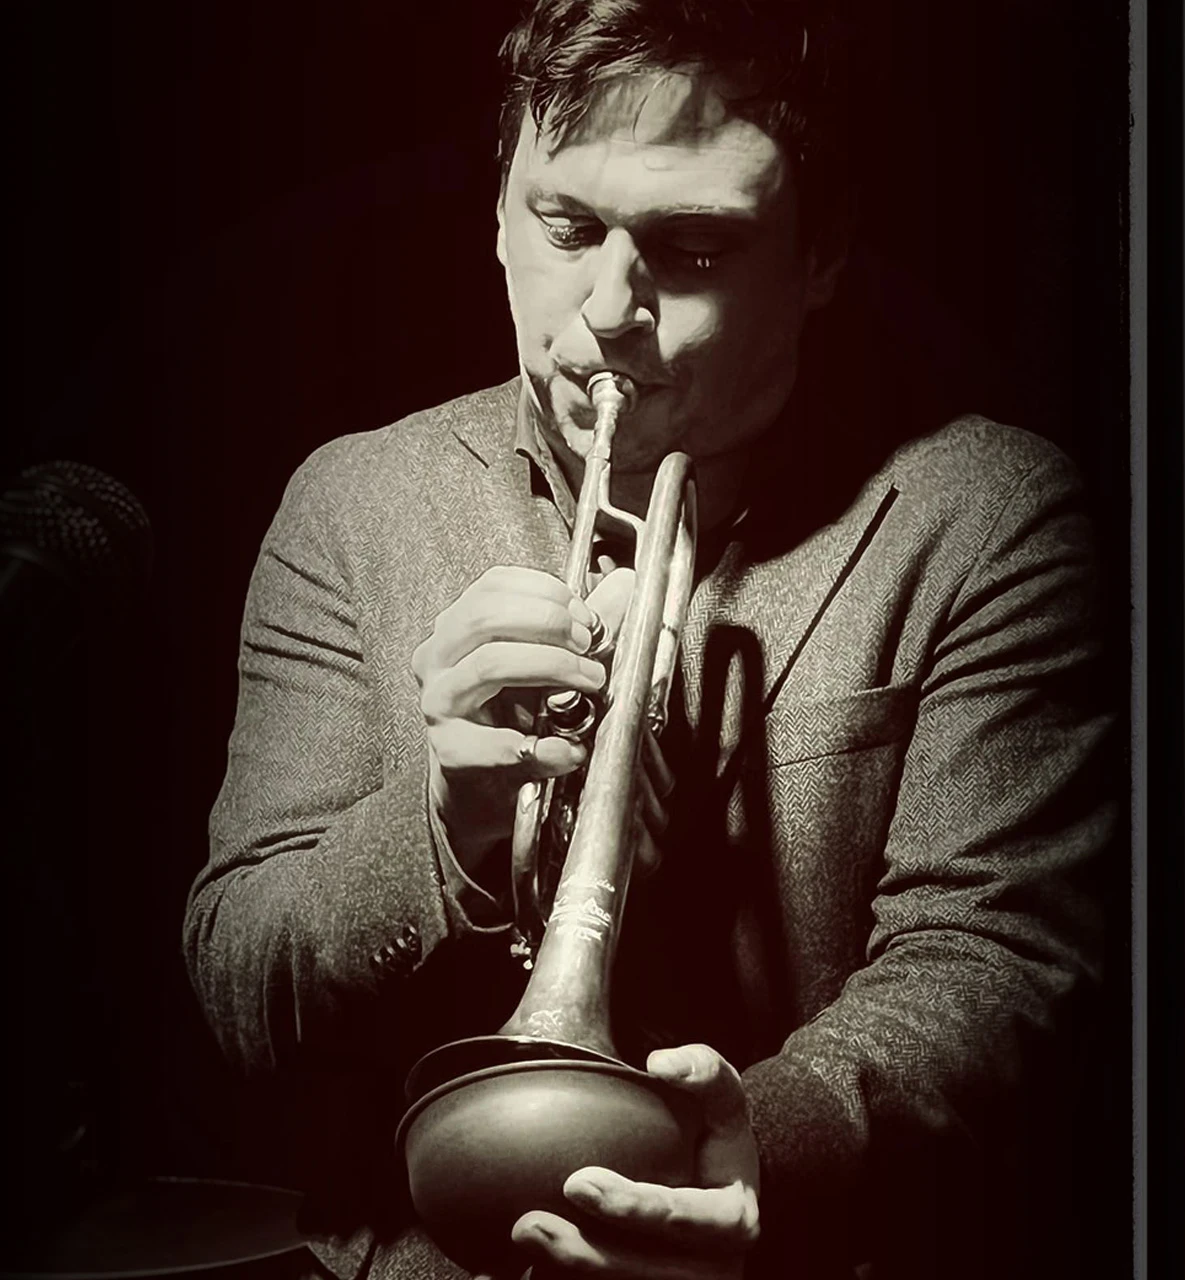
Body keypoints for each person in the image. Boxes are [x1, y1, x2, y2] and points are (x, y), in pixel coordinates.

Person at [183, 2, 1117, 1276]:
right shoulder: (355, 504)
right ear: (497, 214)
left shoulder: (987, 514)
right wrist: (444, 822)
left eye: (692, 249)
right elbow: (243, 988)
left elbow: (997, 957)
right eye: (567, 228)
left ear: (822, 251)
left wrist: (748, 1143)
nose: (609, 309)